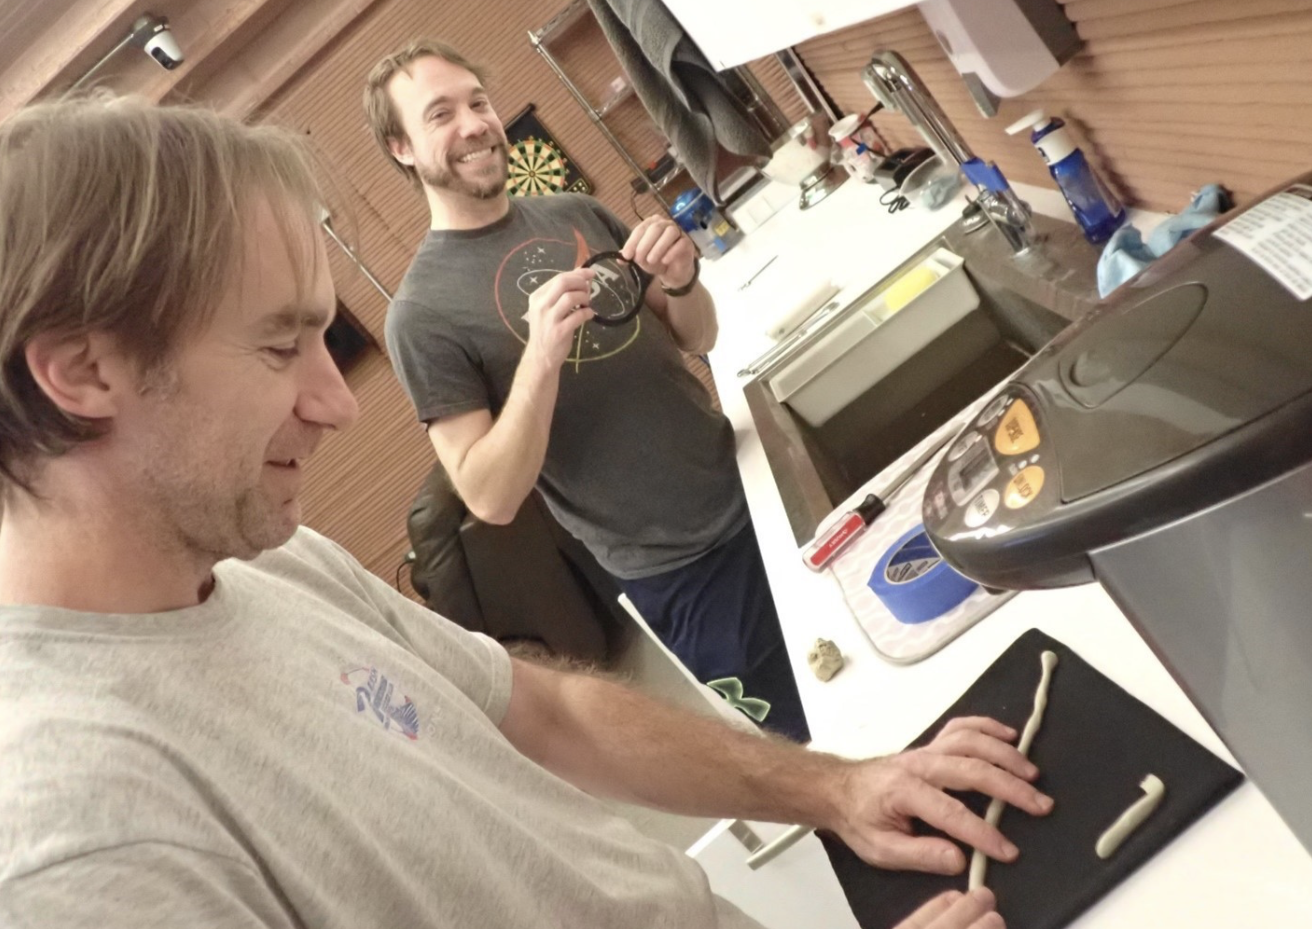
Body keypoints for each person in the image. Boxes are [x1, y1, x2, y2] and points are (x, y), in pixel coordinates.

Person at [0, 94, 1051, 929]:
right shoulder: (79, 837)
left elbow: (544, 710)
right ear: (86, 371)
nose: (329, 402)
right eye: (281, 346)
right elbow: (489, 490)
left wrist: (837, 786)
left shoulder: (273, 566)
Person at [368, 40, 811, 741]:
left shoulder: (574, 211)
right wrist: (541, 356)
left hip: (761, 485)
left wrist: (682, 277)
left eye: (478, 103)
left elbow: (697, 337)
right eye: (440, 115)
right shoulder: (419, 316)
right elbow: (489, 493)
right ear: (401, 147)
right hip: (684, 574)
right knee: (812, 744)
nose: (474, 125)